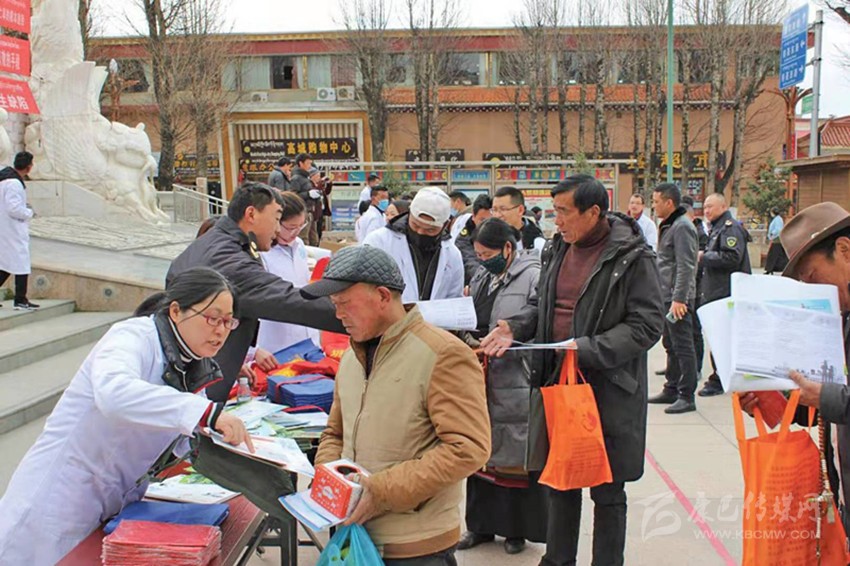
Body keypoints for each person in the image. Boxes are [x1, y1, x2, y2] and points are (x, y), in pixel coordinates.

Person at [0, 267, 253, 564]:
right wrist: (205, 413)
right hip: (61, 496)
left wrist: (232, 444)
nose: (221, 330)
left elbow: (185, 431)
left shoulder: (193, 363)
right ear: (176, 311)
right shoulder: (133, 337)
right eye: (212, 318)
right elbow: (114, 392)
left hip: (114, 499)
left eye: (228, 321)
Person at [481, 174, 664, 566]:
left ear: (593, 212)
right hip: (558, 383)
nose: (557, 221)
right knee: (561, 481)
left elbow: (647, 325)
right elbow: (544, 306)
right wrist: (516, 326)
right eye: (554, 211)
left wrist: (589, 348)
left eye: (564, 212)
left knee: (608, 491)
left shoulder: (632, 257)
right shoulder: (557, 249)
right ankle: (558, 559)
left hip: (608, 387)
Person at [304, 245, 491, 566]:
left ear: (382, 296)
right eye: (334, 305)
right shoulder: (351, 357)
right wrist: (329, 474)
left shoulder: (443, 354)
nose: (338, 315)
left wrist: (380, 492)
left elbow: (469, 448)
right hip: (353, 538)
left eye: (344, 303)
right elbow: (335, 432)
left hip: (416, 546)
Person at [167, 183, 344, 401]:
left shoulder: (216, 244)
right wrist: (355, 313)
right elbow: (286, 299)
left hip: (195, 374)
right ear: (251, 214)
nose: (277, 230)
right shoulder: (228, 258)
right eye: (276, 219)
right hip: (192, 390)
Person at [739, 201, 850, 539]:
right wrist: (774, 402)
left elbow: (835, 397)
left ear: (844, 251)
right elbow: (831, 410)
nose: (811, 292)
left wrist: (825, 396)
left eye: (812, 277)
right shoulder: (841, 318)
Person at [459, 218, 547, 555]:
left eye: (487, 254)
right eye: (478, 255)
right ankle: (480, 526)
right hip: (480, 372)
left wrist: (512, 335)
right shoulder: (483, 275)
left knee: (514, 457)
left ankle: (515, 531)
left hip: (516, 376)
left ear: (508, 248)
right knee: (478, 451)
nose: (482, 260)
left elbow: (538, 318)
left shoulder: (533, 274)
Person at [647, 183, 699, 414]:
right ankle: (671, 387)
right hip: (666, 295)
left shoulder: (682, 227)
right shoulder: (669, 225)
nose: (654, 205)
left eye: (657, 201)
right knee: (670, 344)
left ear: (669, 203)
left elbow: (686, 266)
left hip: (677, 298)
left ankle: (686, 395)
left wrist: (680, 299)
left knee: (683, 346)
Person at [363, 187, 464, 303]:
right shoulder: (378, 242)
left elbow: (454, 299)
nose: (420, 232)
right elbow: (364, 289)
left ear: (445, 225)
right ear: (409, 213)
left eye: (430, 230)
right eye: (415, 225)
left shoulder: (452, 254)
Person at [697, 192, 751, 397]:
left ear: (723, 206)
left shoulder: (730, 228)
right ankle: (721, 375)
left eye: (710, 206)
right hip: (717, 292)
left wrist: (704, 257)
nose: (707, 210)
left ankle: (719, 378)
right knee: (718, 336)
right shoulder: (717, 228)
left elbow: (732, 257)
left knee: (722, 338)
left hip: (725, 293)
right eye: (705, 207)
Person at [256, 192, 319, 354]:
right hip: (277, 337)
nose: (296, 232)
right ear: (276, 222)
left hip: (308, 332)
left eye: (301, 226)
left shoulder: (299, 245)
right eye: (291, 227)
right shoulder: (262, 253)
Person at [0, 151, 39, 310]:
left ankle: (21, 298)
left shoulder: (5, 179)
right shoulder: (14, 183)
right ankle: (20, 300)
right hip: (12, 228)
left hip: (6, 227)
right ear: (29, 167)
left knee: (7, 263)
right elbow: (14, 208)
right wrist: (29, 212)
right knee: (21, 262)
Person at [682, 196, 708, 379]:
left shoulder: (699, 233)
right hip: (688, 287)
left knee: (694, 330)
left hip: (697, 287)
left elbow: (694, 262)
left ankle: (696, 369)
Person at [491, 186, 545, 252]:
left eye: (503, 209)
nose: (497, 215)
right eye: (494, 210)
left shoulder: (536, 242)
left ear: (520, 210)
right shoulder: (487, 238)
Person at [455, 194, 493, 284]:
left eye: (491, 220)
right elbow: (471, 265)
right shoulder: (463, 239)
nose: (486, 225)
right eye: (482, 220)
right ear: (473, 217)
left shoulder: (500, 234)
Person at [764, 207, 789, 275]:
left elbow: (778, 229)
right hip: (777, 238)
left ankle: (770, 269)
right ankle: (771, 269)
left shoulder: (777, 219)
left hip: (776, 239)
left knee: (773, 254)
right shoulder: (777, 219)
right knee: (777, 254)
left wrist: (772, 233)